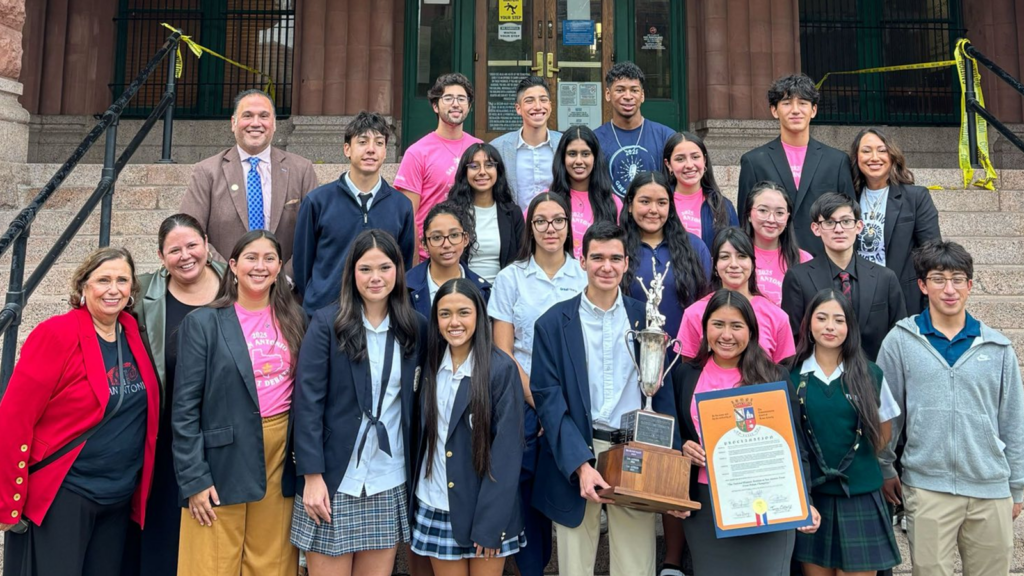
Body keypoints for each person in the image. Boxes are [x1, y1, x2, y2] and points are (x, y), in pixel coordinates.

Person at [0, 247, 160, 576]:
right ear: (83, 286)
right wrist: (7, 502)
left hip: (117, 496)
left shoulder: (132, 330)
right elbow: (14, 417)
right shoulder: (56, 334)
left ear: (132, 289)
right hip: (66, 495)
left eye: (122, 280)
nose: (113, 289)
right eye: (103, 280)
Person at [531, 222, 677, 576]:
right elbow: (549, 403)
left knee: (636, 565)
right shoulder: (552, 323)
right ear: (582, 261)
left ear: (627, 263)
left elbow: (664, 393)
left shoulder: (648, 317)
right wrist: (580, 465)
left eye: (615, 258)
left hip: (634, 450)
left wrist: (673, 472)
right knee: (574, 568)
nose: (606, 266)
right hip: (576, 449)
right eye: (597, 257)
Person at [878, 241, 1024, 576]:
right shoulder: (901, 341)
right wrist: (886, 465)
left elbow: (1013, 420)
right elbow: (887, 413)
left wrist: (1016, 485)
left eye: (958, 279)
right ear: (922, 285)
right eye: (939, 279)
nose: (949, 289)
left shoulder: (998, 347)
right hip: (928, 489)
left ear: (970, 286)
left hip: (990, 489)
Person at [290, 230, 426, 576]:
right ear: (352, 272)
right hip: (335, 478)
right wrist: (312, 476)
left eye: (385, 267)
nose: (376, 278)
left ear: (399, 270)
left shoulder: (414, 328)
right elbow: (307, 404)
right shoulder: (327, 323)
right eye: (365, 269)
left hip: (387, 477)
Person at [172, 230, 306, 576]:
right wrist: (194, 479)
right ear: (232, 265)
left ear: (279, 267)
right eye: (250, 258)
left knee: (272, 561)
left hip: (280, 454)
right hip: (221, 457)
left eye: (269, 259)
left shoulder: (296, 319)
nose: (259, 266)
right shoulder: (203, 323)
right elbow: (185, 410)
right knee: (211, 562)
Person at [670, 289, 819, 575]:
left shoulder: (774, 376)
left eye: (736, 326)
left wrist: (804, 500)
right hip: (705, 503)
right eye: (718, 324)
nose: (726, 335)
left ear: (751, 331)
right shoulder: (685, 375)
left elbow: (795, 446)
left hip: (769, 501)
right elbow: (674, 434)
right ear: (704, 329)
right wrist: (682, 448)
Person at [488, 192, 586, 576]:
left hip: (574, 405)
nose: (550, 228)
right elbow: (504, 351)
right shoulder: (511, 277)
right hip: (524, 403)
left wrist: (559, 410)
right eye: (541, 221)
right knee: (526, 494)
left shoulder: (584, 275)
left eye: (558, 220)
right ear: (530, 227)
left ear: (568, 225)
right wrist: (541, 404)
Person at [122, 215, 226, 576]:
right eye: (174, 249)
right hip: (167, 429)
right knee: (165, 526)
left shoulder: (236, 284)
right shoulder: (144, 294)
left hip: (225, 429)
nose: (185, 255)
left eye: (192, 245)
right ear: (160, 255)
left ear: (207, 242)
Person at [410, 279, 525, 576]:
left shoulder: (500, 369)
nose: (454, 322)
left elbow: (507, 453)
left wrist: (490, 524)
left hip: (486, 508)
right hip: (437, 501)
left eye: (464, 312)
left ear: (479, 315)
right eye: (445, 314)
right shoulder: (429, 366)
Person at [788, 290, 902, 576]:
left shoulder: (871, 374)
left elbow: (884, 433)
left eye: (839, 320)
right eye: (822, 318)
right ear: (809, 324)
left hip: (861, 494)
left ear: (849, 327)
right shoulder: (790, 375)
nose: (830, 326)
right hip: (813, 498)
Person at [180, 89, 319, 276]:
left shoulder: (301, 170)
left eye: (263, 116)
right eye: (247, 116)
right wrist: (231, 277)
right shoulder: (207, 172)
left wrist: (285, 280)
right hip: (225, 292)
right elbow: (191, 235)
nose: (256, 123)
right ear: (233, 123)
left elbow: (314, 234)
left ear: (274, 124)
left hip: (286, 295)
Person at [293, 111, 416, 316]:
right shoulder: (318, 201)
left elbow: (403, 263)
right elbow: (302, 263)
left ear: (385, 151)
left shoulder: (401, 206)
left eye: (378, 143)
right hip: (325, 315)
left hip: (380, 316)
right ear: (347, 149)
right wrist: (317, 302)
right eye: (362, 142)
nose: (371, 150)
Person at [737, 74, 855, 257]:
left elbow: (849, 217)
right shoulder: (754, 161)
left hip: (824, 260)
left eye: (802, 103)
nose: (795, 110)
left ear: (813, 110)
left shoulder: (837, 161)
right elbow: (745, 222)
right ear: (774, 111)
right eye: (786, 103)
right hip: (773, 262)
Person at [781, 193, 906, 361]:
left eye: (846, 221)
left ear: (859, 226)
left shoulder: (885, 278)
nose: (838, 229)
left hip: (874, 375)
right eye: (829, 222)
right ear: (816, 228)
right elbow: (793, 338)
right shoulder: (798, 278)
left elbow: (899, 337)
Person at [849, 127, 941, 316]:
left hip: (904, 298)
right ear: (856, 158)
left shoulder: (916, 198)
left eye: (882, 150)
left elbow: (932, 254)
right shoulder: (848, 198)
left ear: (892, 156)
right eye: (866, 151)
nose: (874, 157)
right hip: (858, 296)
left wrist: (928, 305)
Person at [395, 73, 483, 262]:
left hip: (472, 253)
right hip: (430, 255)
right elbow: (407, 213)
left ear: (469, 106)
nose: (456, 104)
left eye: (462, 99)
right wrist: (413, 262)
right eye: (448, 98)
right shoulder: (417, 152)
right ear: (435, 105)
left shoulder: (480, 149)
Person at [677, 227, 795, 364]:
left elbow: (784, 372)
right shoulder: (694, 314)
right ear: (715, 265)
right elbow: (688, 372)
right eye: (725, 257)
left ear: (752, 263)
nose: (734, 264)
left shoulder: (777, 316)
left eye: (742, 256)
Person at [621, 170, 711, 339]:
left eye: (661, 203)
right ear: (630, 205)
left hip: (683, 355)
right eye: (645, 201)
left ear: (670, 207)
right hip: (628, 354)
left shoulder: (695, 248)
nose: (653, 210)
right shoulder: (616, 248)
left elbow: (705, 306)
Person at [593, 62, 676, 198]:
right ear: (608, 94)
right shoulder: (595, 139)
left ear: (642, 95)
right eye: (620, 90)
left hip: (653, 216)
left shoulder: (666, 137)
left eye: (634, 90)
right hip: (611, 217)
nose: (628, 96)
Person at [447, 144, 525, 282]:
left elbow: (522, 260)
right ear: (464, 172)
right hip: (462, 292)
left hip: (502, 293)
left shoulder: (513, 213)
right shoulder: (450, 213)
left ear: (498, 170)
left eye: (489, 165)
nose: (482, 172)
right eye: (474, 166)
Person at [407, 201, 491, 318]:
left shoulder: (481, 290)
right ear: (425, 244)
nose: (446, 244)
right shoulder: (405, 286)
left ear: (465, 239)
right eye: (437, 237)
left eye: (454, 235)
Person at [490, 76, 563, 211]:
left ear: (550, 106)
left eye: (543, 100)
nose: (538, 106)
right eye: (529, 101)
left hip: (556, 228)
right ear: (518, 108)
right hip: (514, 228)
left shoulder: (564, 145)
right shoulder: (499, 148)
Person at [549, 125, 622, 260]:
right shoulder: (547, 200)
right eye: (572, 154)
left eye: (585, 154)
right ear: (562, 158)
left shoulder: (613, 202)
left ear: (595, 159)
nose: (578, 161)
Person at [662, 131, 739, 250]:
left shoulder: (723, 206)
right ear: (668, 164)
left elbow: (736, 250)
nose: (689, 165)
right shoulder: (659, 204)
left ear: (704, 160)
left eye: (695, 157)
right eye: (680, 159)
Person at [741, 180, 813, 306]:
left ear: (787, 217)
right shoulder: (735, 256)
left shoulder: (804, 260)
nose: (771, 219)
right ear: (749, 214)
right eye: (763, 211)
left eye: (779, 213)